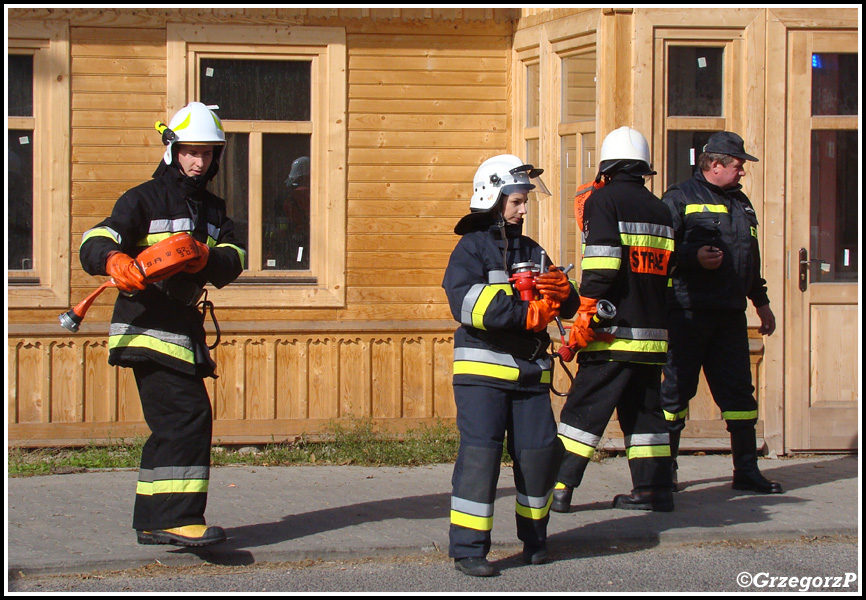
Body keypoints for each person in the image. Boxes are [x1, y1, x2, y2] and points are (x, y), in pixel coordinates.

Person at [79, 102, 247, 546]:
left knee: (175, 421)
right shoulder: (142, 198)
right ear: (171, 148)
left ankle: (157, 517)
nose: (199, 162)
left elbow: (236, 258)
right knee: (186, 416)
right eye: (191, 151)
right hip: (146, 324)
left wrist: (209, 256)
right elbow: (96, 239)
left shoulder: (213, 209)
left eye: (208, 153)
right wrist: (113, 258)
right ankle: (177, 517)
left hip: (181, 328)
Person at [442, 154, 579, 577]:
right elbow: (463, 300)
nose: (523, 209)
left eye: (524, 202)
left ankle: (535, 540)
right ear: (493, 196)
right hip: (482, 377)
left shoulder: (531, 249)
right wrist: (526, 315)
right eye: (517, 201)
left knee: (539, 458)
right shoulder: (470, 248)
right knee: (481, 460)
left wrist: (563, 292)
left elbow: (566, 304)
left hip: (530, 375)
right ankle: (468, 549)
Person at [551, 127, 676, 514]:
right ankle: (654, 492)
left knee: (584, 412)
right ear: (643, 169)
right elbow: (666, 272)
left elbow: (603, 266)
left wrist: (584, 313)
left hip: (612, 334)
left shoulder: (603, 201)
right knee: (645, 416)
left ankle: (557, 489)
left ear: (607, 166)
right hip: (652, 335)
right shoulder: (660, 209)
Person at [660, 131, 782, 494]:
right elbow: (659, 254)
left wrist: (762, 303)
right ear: (715, 165)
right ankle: (665, 474)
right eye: (738, 165)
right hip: (687, 314)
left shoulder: (742, 203)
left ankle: (746, 471)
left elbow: (750, 260)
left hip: (730, 315)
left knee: (739, 397)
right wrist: (692, 259)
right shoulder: (679, 198)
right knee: (675, 397)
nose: (742, 172)